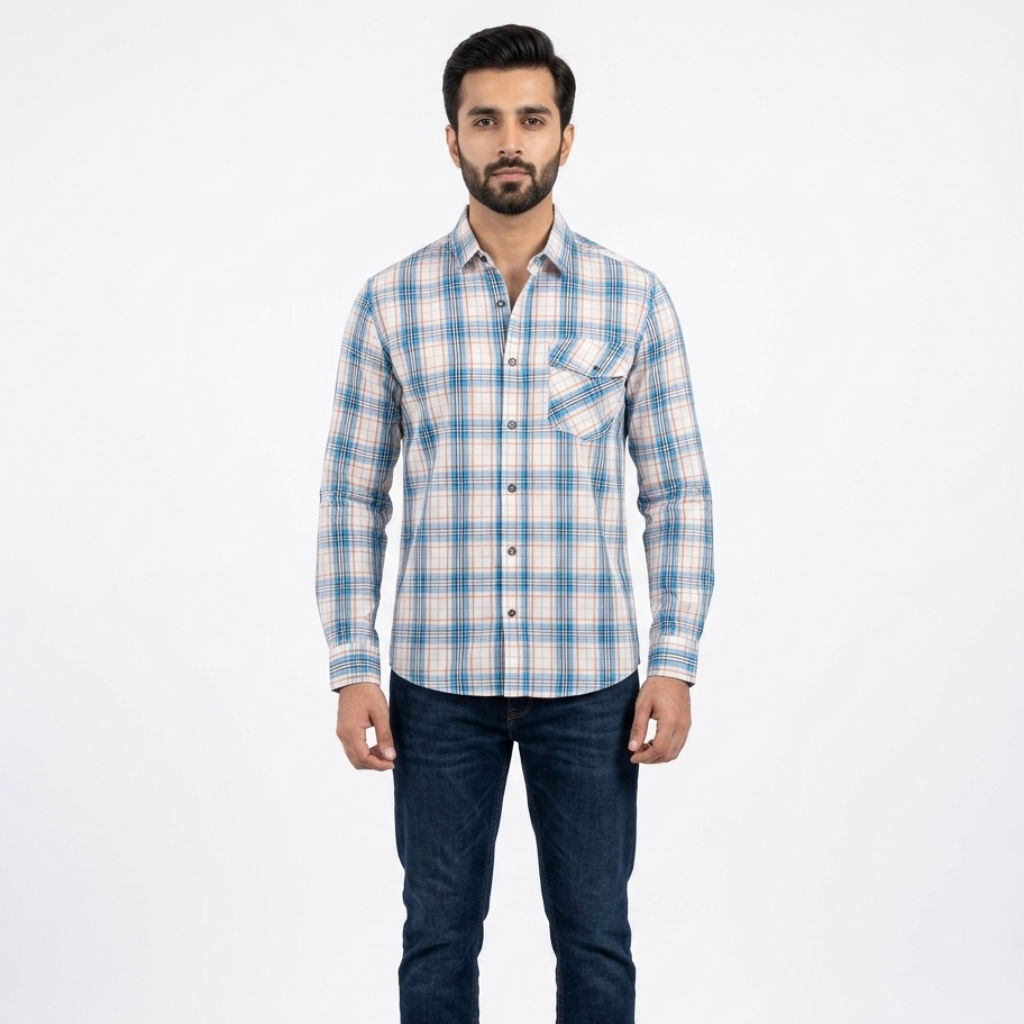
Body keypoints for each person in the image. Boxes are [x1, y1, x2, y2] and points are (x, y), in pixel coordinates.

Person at [316, 23, 714, 1024]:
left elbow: (676, 493)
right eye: (485, 119)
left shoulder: (633, 300)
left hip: (591, 683)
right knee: (436, 937)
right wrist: (352, 666)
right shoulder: (389, 303)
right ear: (451, 137)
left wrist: (674, 661)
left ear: (565, 138)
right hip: (435, 685)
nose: (508, 141)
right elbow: (352, 494)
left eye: (531, 119)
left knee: (596, 935)